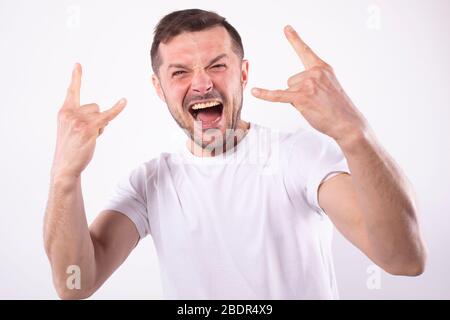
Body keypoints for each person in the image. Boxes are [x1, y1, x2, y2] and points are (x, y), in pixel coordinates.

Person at [44, 9, 426, 299]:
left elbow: (404, 259)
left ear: (243, 74)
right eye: (180, 72)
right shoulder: (149, 183)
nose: (202, 82)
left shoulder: (298, 156)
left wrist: (353, 133)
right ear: (159, 89)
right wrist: (64, 177)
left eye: (217, 66)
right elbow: (76, 283)